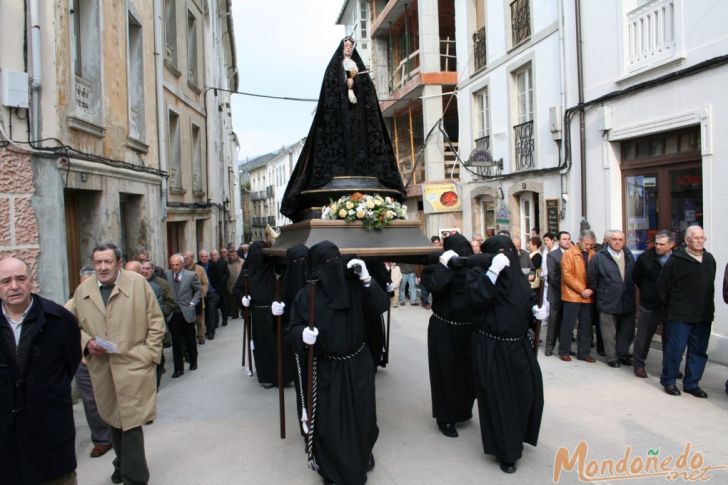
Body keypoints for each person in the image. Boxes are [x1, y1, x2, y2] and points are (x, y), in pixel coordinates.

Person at [287, 241, 389, 485]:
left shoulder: (355, 288)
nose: (332, 267)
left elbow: (380, 305)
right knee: (331, 420)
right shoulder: (307, 296)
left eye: (335, 259)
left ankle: (363, 454)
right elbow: (291, 331)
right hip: (328, 367)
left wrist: (367, 280)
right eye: (326, 262)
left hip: (358, 361)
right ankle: (332, 467)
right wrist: (301, 334)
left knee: (363, 415)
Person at [68, 243, 165, 485]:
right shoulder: (83, 291)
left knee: (131, 423)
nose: (102, 267)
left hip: (133, 365)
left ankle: (135, 478)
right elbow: (69, 324)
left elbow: (156, 321)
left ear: (118, 263)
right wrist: (87, 342)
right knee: (113, 419)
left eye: (107, 262)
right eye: (98, 262)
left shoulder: (137, 283)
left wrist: (149, 354)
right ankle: (121, 465)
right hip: (102, 368)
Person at [280, 36, 405, 221]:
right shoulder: (334, 68)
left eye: (350, 45)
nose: (348, 48)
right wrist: (343, 84)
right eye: (345, 45)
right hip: (339, 121)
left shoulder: (359, 67)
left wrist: (356, 85)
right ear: (342, 47)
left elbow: (368, 94)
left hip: (357, 119)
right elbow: (328, 92)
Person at [466, 236, 544, 474]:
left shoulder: (515, 274)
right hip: (493, 346)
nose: (505, 255)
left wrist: (535, 309)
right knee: (500, 400)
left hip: (519, 345)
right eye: (499, 251)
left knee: (528, 393)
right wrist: (491, 273)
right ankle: (506, 451)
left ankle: (517, 435)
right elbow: (477, 299)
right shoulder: (478, 272)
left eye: (509, 250)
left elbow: (525, 295)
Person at [1, 257, 81, 484]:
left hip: (50, 433)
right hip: (5, 438)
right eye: (6, 281)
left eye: (20, 278)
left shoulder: (59, 319)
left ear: (31, 281)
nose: (14, 286)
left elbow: (70, 363)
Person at [421, 233, 476, 438]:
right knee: (445, 374)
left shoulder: (472, 267)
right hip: (443, 328)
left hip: (468, 329)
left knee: (466, 375)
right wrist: (444, 266)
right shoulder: (436, 267)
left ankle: (462, 411)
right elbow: (435, 286)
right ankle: (446, 418)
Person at [658, 226, 716, 398]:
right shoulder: (676, 260)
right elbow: (663, 287)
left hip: (703, 314)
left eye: (702, 238)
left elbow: (710, 286)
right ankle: (668, 380)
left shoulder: (709, 259)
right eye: (695, 238)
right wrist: (674, 306)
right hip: (680, 315)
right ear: (687, 240)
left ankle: (692, 383)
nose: (699, 241)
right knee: (676, 349)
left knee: (698, 351)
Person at [70, 265, 113, 459]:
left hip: (110, 357)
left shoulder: (106, 299)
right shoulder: (71, 304)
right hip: (85, 360)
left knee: (113, 397)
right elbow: (67, 330)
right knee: (90, 401)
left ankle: (118, 431)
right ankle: (101, 439)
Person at [587, 230, 636, 368]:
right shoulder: (598, 257)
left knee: (627, 331)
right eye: (614, 239)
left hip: (627, 299)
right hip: (608, 300)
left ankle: (623, 354)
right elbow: (592, 277)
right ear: (608, 241)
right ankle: (612, 357)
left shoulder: (629, 254)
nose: (617, 242)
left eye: (621, 239)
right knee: (609, 332)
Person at [235, 241, 278, 388]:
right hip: (259, 314)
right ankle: (267, 376)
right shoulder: (247, 271)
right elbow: (238, 289)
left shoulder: (274, 267)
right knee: (263, 346)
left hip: (277, 313)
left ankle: (282, 376)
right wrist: (244, 299)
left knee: (279, 345)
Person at [632, 230, 673, 378]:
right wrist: (648, 292)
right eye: (656, 243)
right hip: (650, 304)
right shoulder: (645, 257)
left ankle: (670, 367)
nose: (658, 247)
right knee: (643, 337)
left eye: (662, 244)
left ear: (671, 245)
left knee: (670, 339)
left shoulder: (677, 258)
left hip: (670, 305)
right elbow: (636, 277)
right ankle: (638, 364)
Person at [559, 230, 596, 362]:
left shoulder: (593, 254)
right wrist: (582, 290)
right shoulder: (569, 254)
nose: (588, 247)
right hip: (572, 294)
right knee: (568, 324)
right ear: (580, 241)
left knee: (586, 326)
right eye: (586, 244)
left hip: (588, 295)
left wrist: (591, 289)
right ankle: (564, 350)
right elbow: (567, 276)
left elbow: (596, 274)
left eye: (591, 245)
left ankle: (584, 353)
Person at [140, 261, 176, 388]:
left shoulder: (161, 284)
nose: (145, 271)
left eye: (148, 268)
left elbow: (170, 302)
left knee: (157, 356)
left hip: (156, 326)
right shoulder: (136, 284)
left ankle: (154, 385)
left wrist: (159, 315)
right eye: (143, 268)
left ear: (153, 270)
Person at [166, 254, 202, 378]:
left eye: (177, 264)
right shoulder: (167, 275)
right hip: (173, 313)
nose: (175, 267)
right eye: (172, 265)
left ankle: (193, 361)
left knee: (190, 339)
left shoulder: (191, 275)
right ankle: (178, 369)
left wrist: (193, 303)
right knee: (176, 342)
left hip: (186, 312)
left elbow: (198, 290)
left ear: (182, 264)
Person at [544, 231, 571, 356]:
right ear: (558, 241)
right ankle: (549, 347)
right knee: (554, 321)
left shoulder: (573, 254)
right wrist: (566, 288)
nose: (567, 241)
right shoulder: (553, 255)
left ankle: (565, 346)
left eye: (569, 239)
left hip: (571, 294)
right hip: (556, 293)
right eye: (564, 239)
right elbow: (553, 276)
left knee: (567, 321)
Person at [183, 251, 208, 345]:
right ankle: (191, 337)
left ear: (192, 258)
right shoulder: (182, 269)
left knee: (200, 319)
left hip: (198, 297)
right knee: (189, 319)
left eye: (187, 258)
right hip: (186, 298)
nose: (185, 260)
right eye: (184, 258)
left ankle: (201, 336)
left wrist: (203, 293)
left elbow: (205, 283)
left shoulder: (200, 269)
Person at [198, 249, 222, 340]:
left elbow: (219, 280)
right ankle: (205, 330)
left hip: (212, 293)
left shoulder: (214, 266)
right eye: (202, 257)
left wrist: (217, 292)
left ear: (208, 257)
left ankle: (211, 332)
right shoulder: (197, 266)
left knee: (211, 310)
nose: (204, 258)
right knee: (205, 312)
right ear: (200, 257)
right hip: (202, 294)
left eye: (206, 256)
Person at [210, 249, 230, 327]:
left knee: (223, 305)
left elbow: (227, 274)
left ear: (217, 255)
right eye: (212, 255)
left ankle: (225, 320)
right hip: (213, 288)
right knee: (214, 306)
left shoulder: (223, 263)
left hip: (222, 288)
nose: (214, 256)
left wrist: (222, 280)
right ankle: (215, 322)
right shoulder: (210, 264)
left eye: (215, 255)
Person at [226, 248, 243, 319]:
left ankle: (244, 313)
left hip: (241, 284)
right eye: (232, 255)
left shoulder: (242, 262)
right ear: (229, 256)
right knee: (233, 301)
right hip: (231, 284)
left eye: (235, 255)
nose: (233, 256)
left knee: (242, 299)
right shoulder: (227, 264)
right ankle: (235, 314)